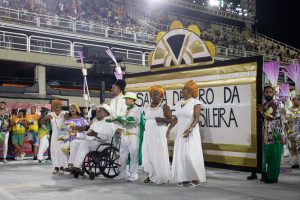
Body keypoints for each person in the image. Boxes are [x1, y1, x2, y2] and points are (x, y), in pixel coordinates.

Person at [167, 80, 206, 187]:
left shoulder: (195, 103)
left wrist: (189, 129)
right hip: (180, 132)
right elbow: (176, 118)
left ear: (190, 90)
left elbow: (197, 118)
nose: (182, 90)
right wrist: (169, 128)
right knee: (181, 155)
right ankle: (183, 178)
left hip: (191, 132)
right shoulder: (179, 103)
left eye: (184, 89)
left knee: (190, 154)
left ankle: (195, 178)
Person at [69, 104, 115, 172]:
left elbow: (107, 137)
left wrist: (96, 134)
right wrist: (77, 134)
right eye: (97, 111)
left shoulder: (109, 123)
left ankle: (77, 166)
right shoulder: (96, 122)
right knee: (74, 142)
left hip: (103, 145)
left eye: (100, 111)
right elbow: (88, 134)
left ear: (106, 113)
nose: (97, 112)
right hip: (92, 142)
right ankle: (71, 164)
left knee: (85, 144)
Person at [142, 85, 172, 184]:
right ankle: (151, 175)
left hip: (159, 133)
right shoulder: (146, 106)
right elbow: (146, 119)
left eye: (157, 93)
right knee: (149, 154)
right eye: (153, 93)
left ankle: (161, 176)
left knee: (158, 154)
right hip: (148, 134)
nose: (155, 95)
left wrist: (163, 119)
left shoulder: (164, 106)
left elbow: (171, 120)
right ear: (150, 95)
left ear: (161, 96)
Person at [114, 92, 143, 182]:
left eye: (127, 99)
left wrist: (121, 120)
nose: (125, 101)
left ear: (132, 100)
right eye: (125, 99)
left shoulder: (136, 110)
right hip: (125, 134)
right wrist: (119, 125)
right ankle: (123, 172)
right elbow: (124, 122)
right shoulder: (127, 110)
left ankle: (134, 174)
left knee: (134, 154)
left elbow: (133, 121)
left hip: (133, 135)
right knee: (122, 154)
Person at [257, 86, 284, 183]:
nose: (268, 94)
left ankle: (273, 177)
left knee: (274, 157)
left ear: (273, 94)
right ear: (264, 94)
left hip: (275, 134)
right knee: (267, 156)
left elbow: (267, 116)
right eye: (266, 92)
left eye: (270, 92)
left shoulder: (274, 104)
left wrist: (260, 110)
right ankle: (267, 175)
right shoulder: (265, 104)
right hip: (267, 134)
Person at [41, 99, 68, 174]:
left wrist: (67, 118)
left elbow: (70, 121)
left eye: (58, 105)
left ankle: (63, 167)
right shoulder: (50, 114)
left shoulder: (65, 113)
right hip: (55, 134)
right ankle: (56, 167)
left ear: (61, 106)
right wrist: (46, 130)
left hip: (63, 133)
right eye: (55, 105)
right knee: (53, 150)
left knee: (62, 150)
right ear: (52, 106)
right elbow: (42, 122)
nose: (56, 106)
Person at [63, 103, 89, 170]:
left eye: (74, 108)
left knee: (75, 145)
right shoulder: (67, 119)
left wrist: (77, 129)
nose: (72, 109)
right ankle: (71, 165)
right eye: (71, 108)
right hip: (70, 138)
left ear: (77, 109)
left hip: (80, 137)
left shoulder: (81, 118)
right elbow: (65, 129)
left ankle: (76, 165)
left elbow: (86, 128)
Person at [287, 96, 300, 168]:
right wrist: (289, 131)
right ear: (293, 101)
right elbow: (288, 121)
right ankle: (295, 163)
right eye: (297, 99)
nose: (299, 101)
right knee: (293, 147)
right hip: (292, 131)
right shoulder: (289, 110)